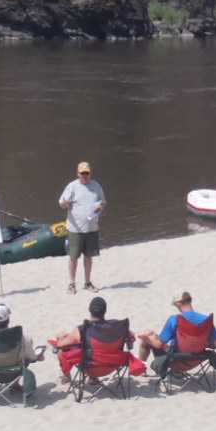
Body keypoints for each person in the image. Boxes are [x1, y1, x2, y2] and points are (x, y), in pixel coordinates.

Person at [51, 295, 144, 381]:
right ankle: (92, 379)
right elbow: (132, 335)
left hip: (90, 367)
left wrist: (61, 337)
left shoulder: (83, 329)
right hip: (113, 365)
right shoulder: (118, 326)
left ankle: (67, 378)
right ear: (105, 311)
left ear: (89, 309)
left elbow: (61, 346)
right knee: (94, 346)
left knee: (63, 350)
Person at [59, 161, 106, 294]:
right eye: (82, 173)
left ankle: (87, 282)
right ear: (78, 173)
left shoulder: (96, 186)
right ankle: (72, 284)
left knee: (89, 255)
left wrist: (98, 210)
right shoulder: (72, 187)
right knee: (73, 257)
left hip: (92, 227)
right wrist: (65, 205)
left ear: (90, 173)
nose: (85, 176)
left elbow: (103, 203)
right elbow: (62, 202)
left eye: (87, 173)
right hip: (75, 229)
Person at [137, 289, 216, 362]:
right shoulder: (206, 320)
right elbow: (214, 345)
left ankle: (141, 368)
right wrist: (197, 342)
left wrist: (149, 337)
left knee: (148, 336)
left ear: (178, 303)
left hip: (176, 360)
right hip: (197, 359)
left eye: (175, 305)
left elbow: (159, 344)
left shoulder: (175, 320)